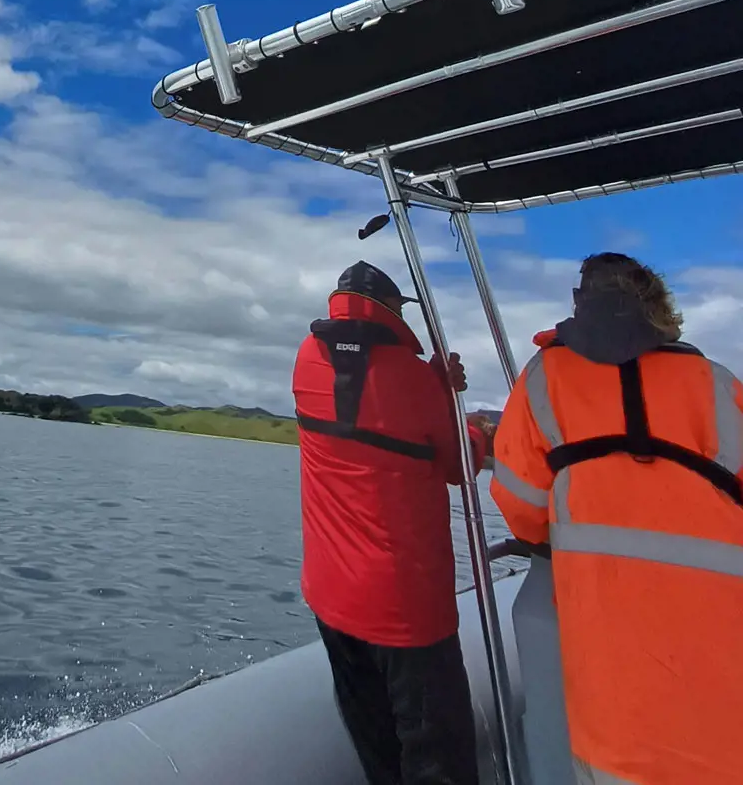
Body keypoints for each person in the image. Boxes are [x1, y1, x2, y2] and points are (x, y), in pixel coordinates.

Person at [492, 252, 743, 785]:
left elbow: (522, 508)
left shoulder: (544, 378)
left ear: (581, 303)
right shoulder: (717, 383)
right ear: (657, 303)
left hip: (614, 687)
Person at [293, 260, 495, 785]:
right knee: (439, 762)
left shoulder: (305, 358)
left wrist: (429, 384)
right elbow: (458, 465)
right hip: (405, 613)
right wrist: (465, 418)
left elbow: (363, 403)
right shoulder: (413, 378)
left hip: (332, 599)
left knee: (379, 753)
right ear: (390, 309)